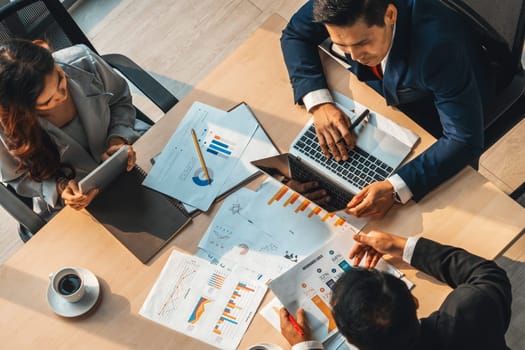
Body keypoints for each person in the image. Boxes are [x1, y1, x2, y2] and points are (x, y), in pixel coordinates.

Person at [281, 0, 493, 218]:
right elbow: (295, 33)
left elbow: (463, 140)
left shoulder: (439, 50)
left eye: (362, 43)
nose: (353, 56)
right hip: (391, 90)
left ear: (390, 14)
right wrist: (319, 103)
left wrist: (394, 188)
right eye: (342, 46)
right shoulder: (336, 6)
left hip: (442, 106)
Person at [279, 230, 512, 349]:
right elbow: (487, 275)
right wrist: (403, 246)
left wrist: (303, 345)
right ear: (414, 300)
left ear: (349, 339)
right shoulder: (471, 310)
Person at [0, 38, 139, 225]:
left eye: (60, 79)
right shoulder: (6, 126)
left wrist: (118, 138)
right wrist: (59, 188)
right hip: (76, 204)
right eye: (48, 102)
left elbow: (120, 99)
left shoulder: (82, 60)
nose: (63, 95)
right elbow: (18, 178)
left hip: (128, 161)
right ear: (22, 110)